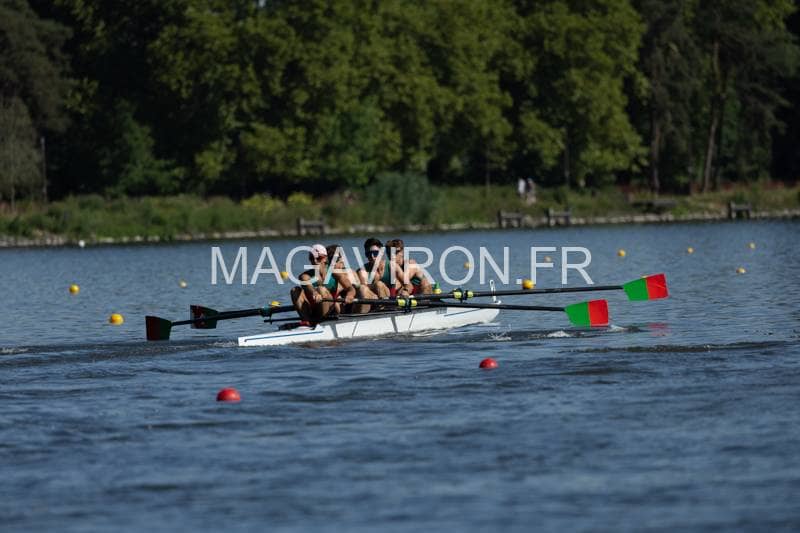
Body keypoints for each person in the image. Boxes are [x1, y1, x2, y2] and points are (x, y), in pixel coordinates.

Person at [290, 244, 340, 322]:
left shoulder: (335, 272)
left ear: (325, 258)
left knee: (321, 289)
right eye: (311, 258)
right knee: (294, 290)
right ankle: (306, 321)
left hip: (332, 308)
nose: (315, 261)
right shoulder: (305, 276)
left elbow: (349, 288)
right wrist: (315, 293)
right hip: (315, 308)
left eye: (319, 258)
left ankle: (323, 321)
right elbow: (308, 286)